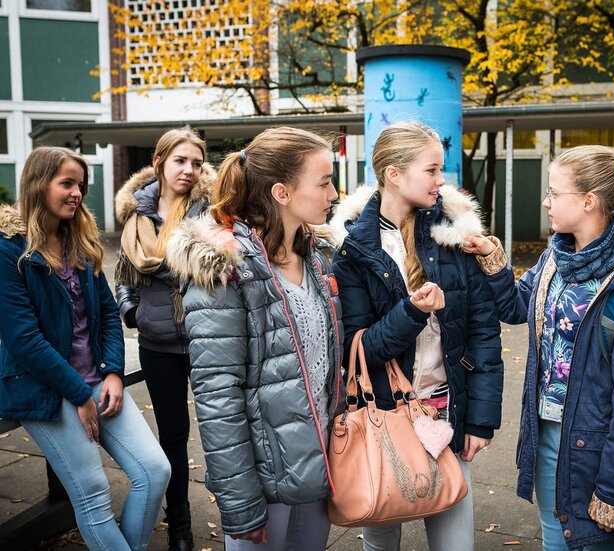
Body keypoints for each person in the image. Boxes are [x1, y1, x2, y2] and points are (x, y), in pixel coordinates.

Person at [464, 145, 614, 550]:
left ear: (588, 201)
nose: (546, 202)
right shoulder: (556, 255)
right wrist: (493, 260)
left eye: (554, 192)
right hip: (547, 430)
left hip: (599, 443)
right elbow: (517, 308)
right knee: (556, 539)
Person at [328, 121, 504, 551]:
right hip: (383, 418)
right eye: (431, 169)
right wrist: (413, 311)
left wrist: (480, 419)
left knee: (455, 544)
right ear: (393, 173)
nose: (441, 180)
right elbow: (360, 350)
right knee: (381, 540)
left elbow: (484, 332)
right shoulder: (353, 251)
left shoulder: (453, 238)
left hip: (449, 416)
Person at [165, 127, 343, 550]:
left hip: (315, 464)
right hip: (262, 479)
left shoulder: (316, 258)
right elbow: (217, 394)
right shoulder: (226, 267)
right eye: (324, 182)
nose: (334, 193)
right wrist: (241, 503)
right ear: (282, 192)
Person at [0, 146, 170, 550]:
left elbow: (109, 315)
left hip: (96, 377)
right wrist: (79, 395)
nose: (77, 193)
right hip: (45, 386)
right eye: (67, 183)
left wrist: (112, 371)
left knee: (155, 470)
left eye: (80, 185)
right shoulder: (10, 251)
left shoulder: (79, 242)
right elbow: (23, 340)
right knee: (93, 492)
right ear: (38, 185)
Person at [114, 127, 214, 551]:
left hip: (208, 338)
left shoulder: (211, 211)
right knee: (172, 436)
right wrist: (132, 312)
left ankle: (243, 519)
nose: (188, 170)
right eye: (179, 161)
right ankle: (180, 527)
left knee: (222, 431)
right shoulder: (136, 215)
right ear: (159, 163)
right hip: (158, 343)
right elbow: (122, 276)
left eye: (195, 162)